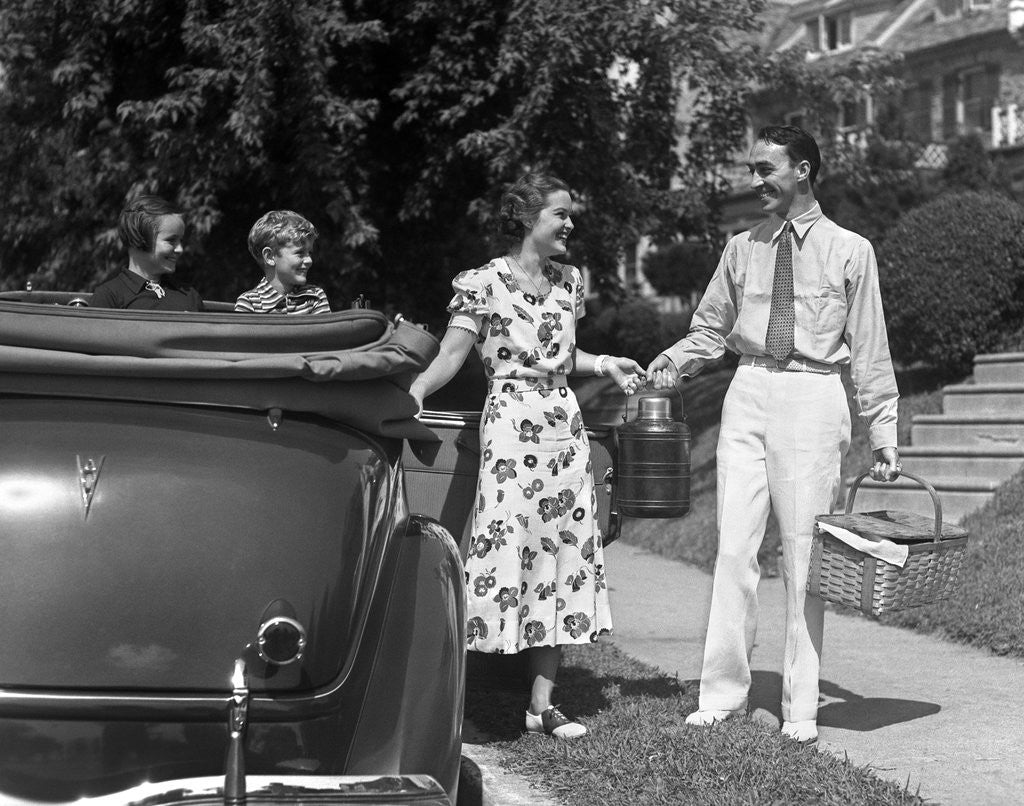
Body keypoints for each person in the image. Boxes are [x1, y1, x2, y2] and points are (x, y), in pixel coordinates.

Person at [646, 125, 902, 745]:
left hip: (812, 397)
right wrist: (671, 362)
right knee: (733, 548)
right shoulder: (742, 248)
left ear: (804, 171)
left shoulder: (850, 250)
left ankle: (801, 708)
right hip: (748, 391)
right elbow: (710, 329)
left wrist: (883, 427)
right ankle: (722, 693)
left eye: (766, 169)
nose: (754, 181)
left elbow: (869, 346)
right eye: (752, 170)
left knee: (802, 557)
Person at [410, 173, 645, 739]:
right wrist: (416, 389)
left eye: (570, 215)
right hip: (512, 426)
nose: (570, 224)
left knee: (563, 554)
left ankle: (542, 706)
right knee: (501, 553)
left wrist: (603, 362)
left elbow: (560, 354)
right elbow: (453, 351)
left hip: (564, 426)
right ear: (527, 219)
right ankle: (453, 699)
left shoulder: (569, 280)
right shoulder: (484, 281)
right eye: (559, 214)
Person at [91, 195, 205, 311]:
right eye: (171, 240)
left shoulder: (189, 296)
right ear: (139, 239)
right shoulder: (110, 297)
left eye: (180, 240)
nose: (180, 249)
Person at [234, 210, 331, 314]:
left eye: (309, 253)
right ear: (269, 256)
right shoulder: (249, 304)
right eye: (300, 253)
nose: (309, 260)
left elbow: (324, 330)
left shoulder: (315, 297)